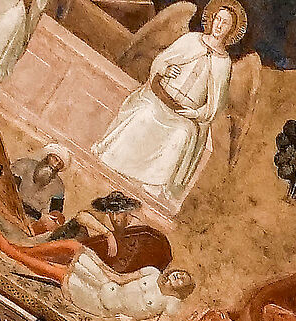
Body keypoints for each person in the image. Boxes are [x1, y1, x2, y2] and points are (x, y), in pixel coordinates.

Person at [93, 0, 243, 205]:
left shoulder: (224, 64)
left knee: (182, 135)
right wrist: (165, 70)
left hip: (185, 115)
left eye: (224, 23)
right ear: (211, 20)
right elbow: (161, 61)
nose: (219, 25)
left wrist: (193, 113)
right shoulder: (191, 40)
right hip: (159, 98)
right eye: (217, 19)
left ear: (230, 30)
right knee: (144, 113)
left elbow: (213, 106)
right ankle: (114, 160)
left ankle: (152, 184)